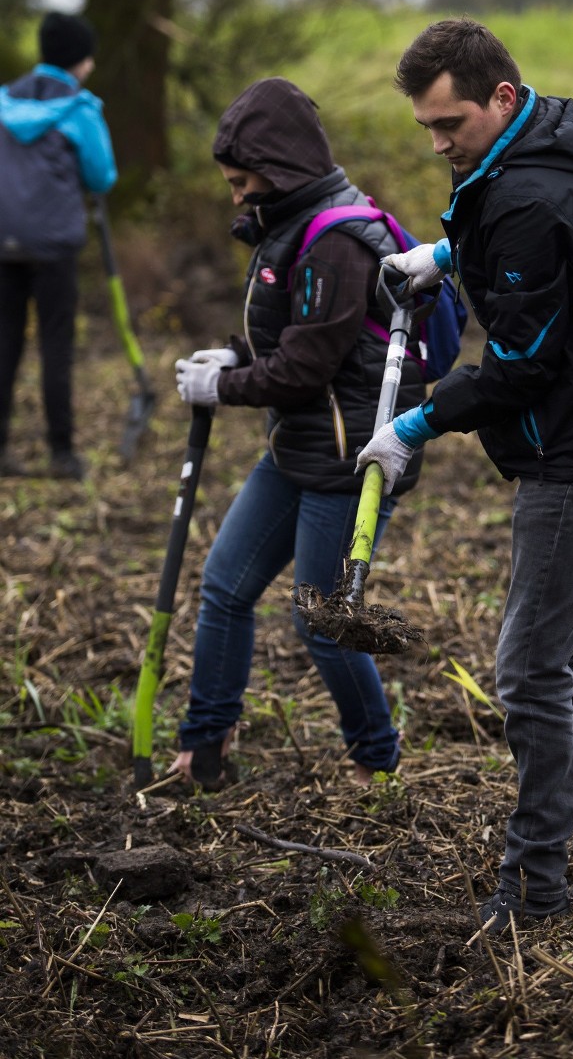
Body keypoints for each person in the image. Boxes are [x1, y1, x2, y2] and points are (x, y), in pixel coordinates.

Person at [356, 18, 573, 932]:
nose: (437, 144)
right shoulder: (543, 144)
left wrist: (415, 424)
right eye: (425, 128)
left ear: (500, 97)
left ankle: (535, 880)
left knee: (527, 670)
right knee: (554, 657)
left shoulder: (528, 194)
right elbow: (522, 245)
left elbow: (519, 368)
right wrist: (443, 256)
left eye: (449, 124)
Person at [167, 77, 426, 790]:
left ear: (276, 168)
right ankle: (205, 745)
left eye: (242, 179)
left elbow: (306, 370)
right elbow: (292, 340)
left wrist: (222, 386)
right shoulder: (295, 221)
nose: (235, 194)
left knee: (323, 622)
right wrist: (235, 355)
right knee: (224, 586)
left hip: (351, 459)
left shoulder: (337, 240)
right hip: (300, 447)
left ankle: (379, 764)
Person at [0, 11, 118, 479]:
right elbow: (101, 177)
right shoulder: (80, 109)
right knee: (55, 346)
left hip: (3, 241)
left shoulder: (5, 98)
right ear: (80, 60)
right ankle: (62, 454)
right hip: (54, 248)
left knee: (4, 343)